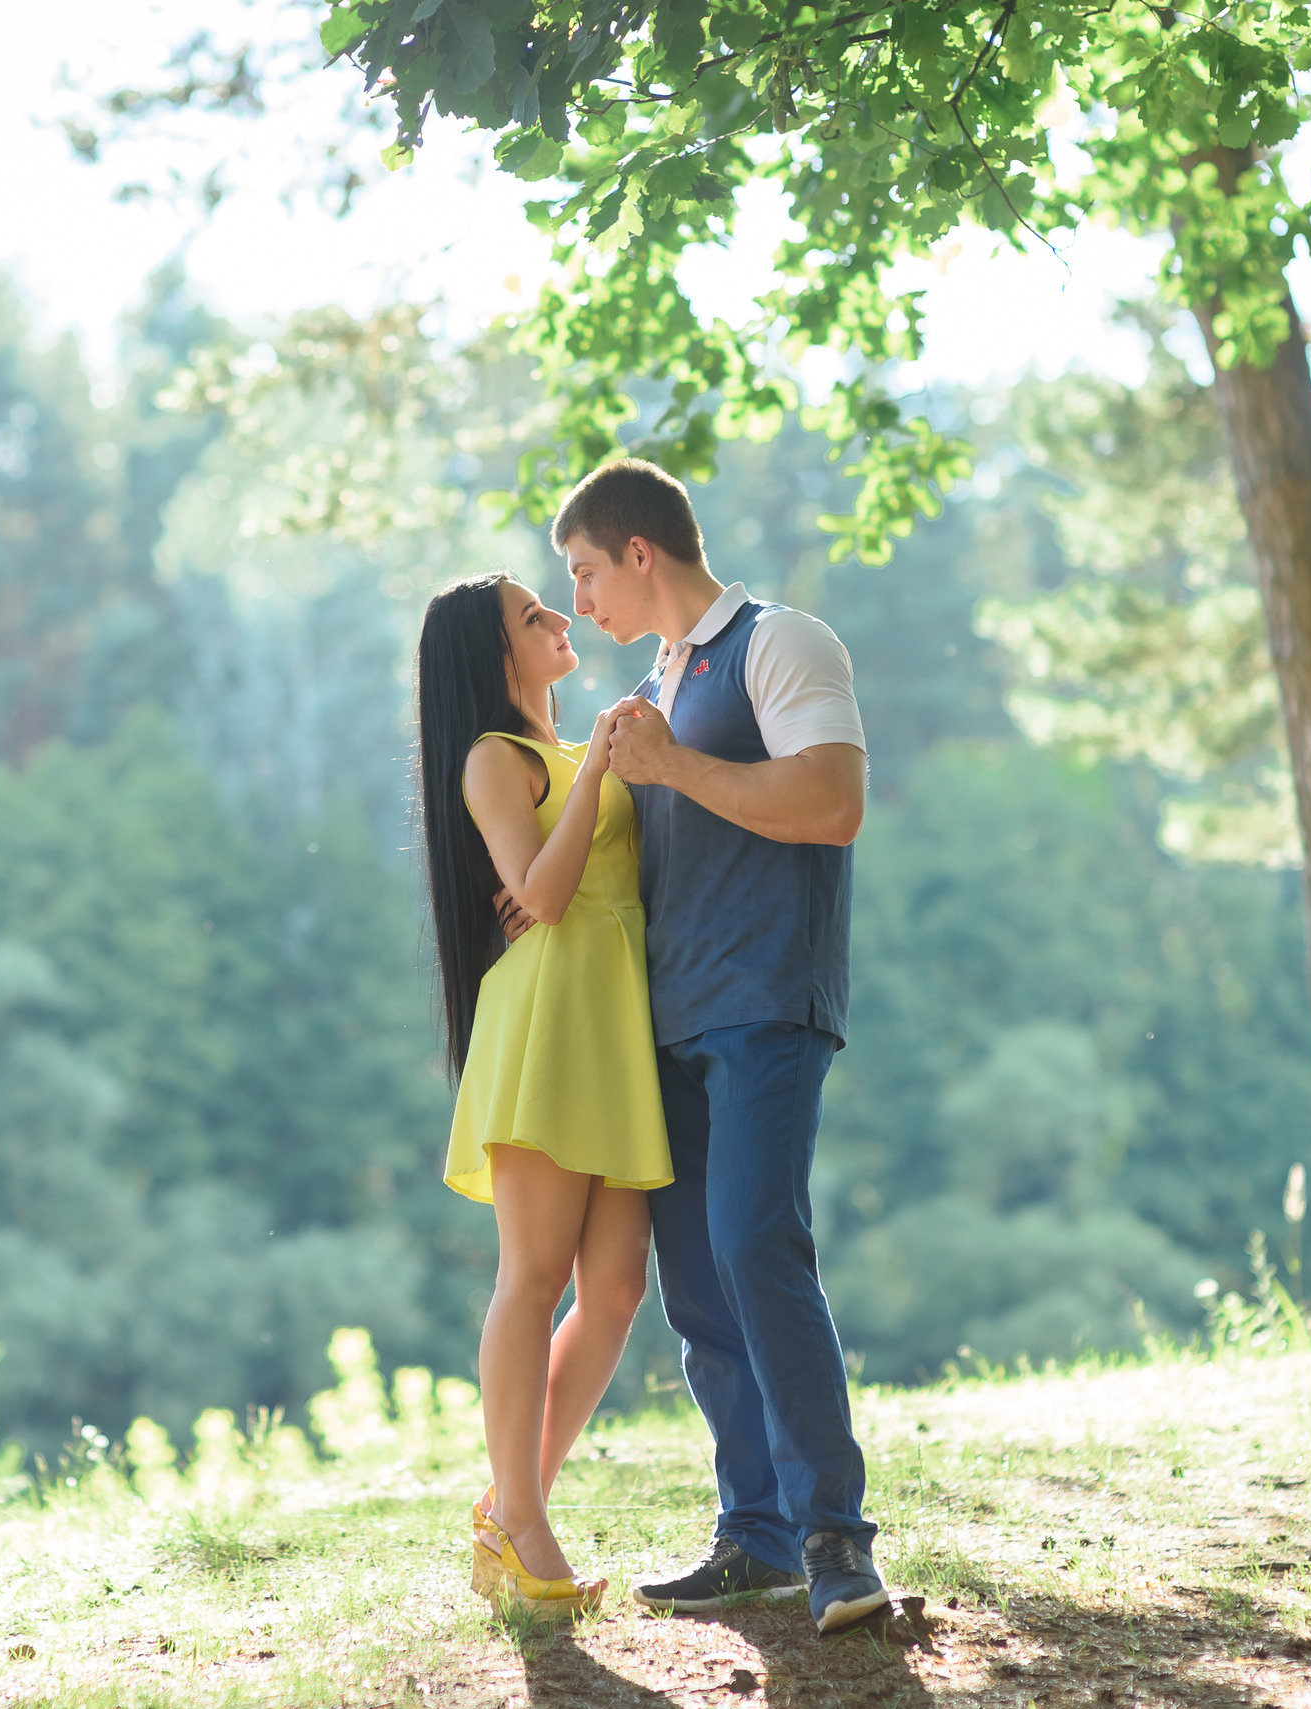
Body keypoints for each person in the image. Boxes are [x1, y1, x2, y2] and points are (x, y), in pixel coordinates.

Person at [559, 458, 892, 1634]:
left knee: (756, 1241)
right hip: (665, 1021)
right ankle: (753, 1535)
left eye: (587, 571)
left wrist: (673, 766)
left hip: (764, 999)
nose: (581, 600)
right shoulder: (660, 675)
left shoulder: (779, 641)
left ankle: (836, 1542)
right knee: (696, 1284)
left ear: (639, 551)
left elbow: (832, 804)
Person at [415, 572, 673, 1620]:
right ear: (497, 654)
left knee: (613, 1289)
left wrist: (608, 761)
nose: (560, 620)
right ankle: (523, 1518)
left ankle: (506, 1501)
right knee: (530, 1275)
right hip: (543, 1025)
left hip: (610, 1025)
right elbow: (544, 894)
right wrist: (598, 770)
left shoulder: (575, 753)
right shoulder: (494, 757)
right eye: (535, 616)